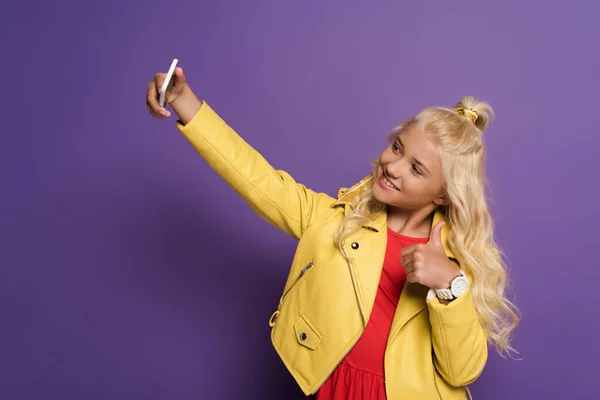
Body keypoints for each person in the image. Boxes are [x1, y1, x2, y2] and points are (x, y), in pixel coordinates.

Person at [146, 66, 520, 399]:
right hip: (331, 387)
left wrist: (449, 286)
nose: (392, 166)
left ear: (442, 193)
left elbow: (462, 372)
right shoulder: (333, 221)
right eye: (396, 147)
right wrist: (185, 103)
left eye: (417, 168)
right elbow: (256, 179)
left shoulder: (457, 261)